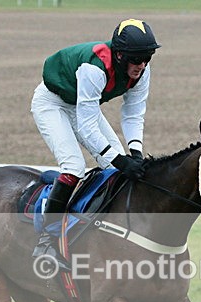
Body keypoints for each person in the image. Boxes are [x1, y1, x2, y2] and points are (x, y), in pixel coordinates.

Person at [30, 19, 160, 261]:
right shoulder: (95, 68)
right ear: (119, 55)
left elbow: (133, 113)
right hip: (52, 103)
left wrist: (135, 153)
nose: (141, 65)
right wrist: (121, 161)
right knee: (74, 166)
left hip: (82, 105)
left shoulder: (142, 71)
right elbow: (87, 127)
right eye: (136, 58)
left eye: (147, 57)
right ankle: (46, 241)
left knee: (115, 169)